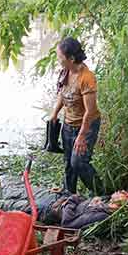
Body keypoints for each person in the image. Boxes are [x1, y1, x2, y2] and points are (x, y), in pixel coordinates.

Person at [50, 38, 103, 195]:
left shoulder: (87, 78)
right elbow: (62, 93)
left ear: (71, 59)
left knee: (78, 162)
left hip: (86, 125)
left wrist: (81, 136)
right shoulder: (66, 71)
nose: (58, 61)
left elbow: (90, 111)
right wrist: (54, 114)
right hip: (68, 124)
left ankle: (102, 193)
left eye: (60, 58)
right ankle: (69, 195)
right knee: (68, 162)